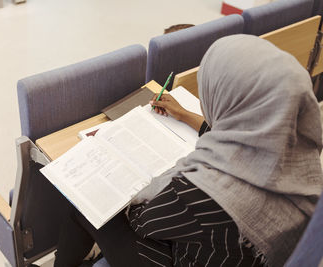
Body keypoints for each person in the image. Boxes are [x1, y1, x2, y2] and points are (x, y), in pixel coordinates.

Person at [53, 34, 323, 267]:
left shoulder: (201, 193)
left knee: (84, 203)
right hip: (241, 256)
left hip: (188, 258)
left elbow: (143, 222)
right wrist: (185, 116)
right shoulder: (301, 162)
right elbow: (241, 144)